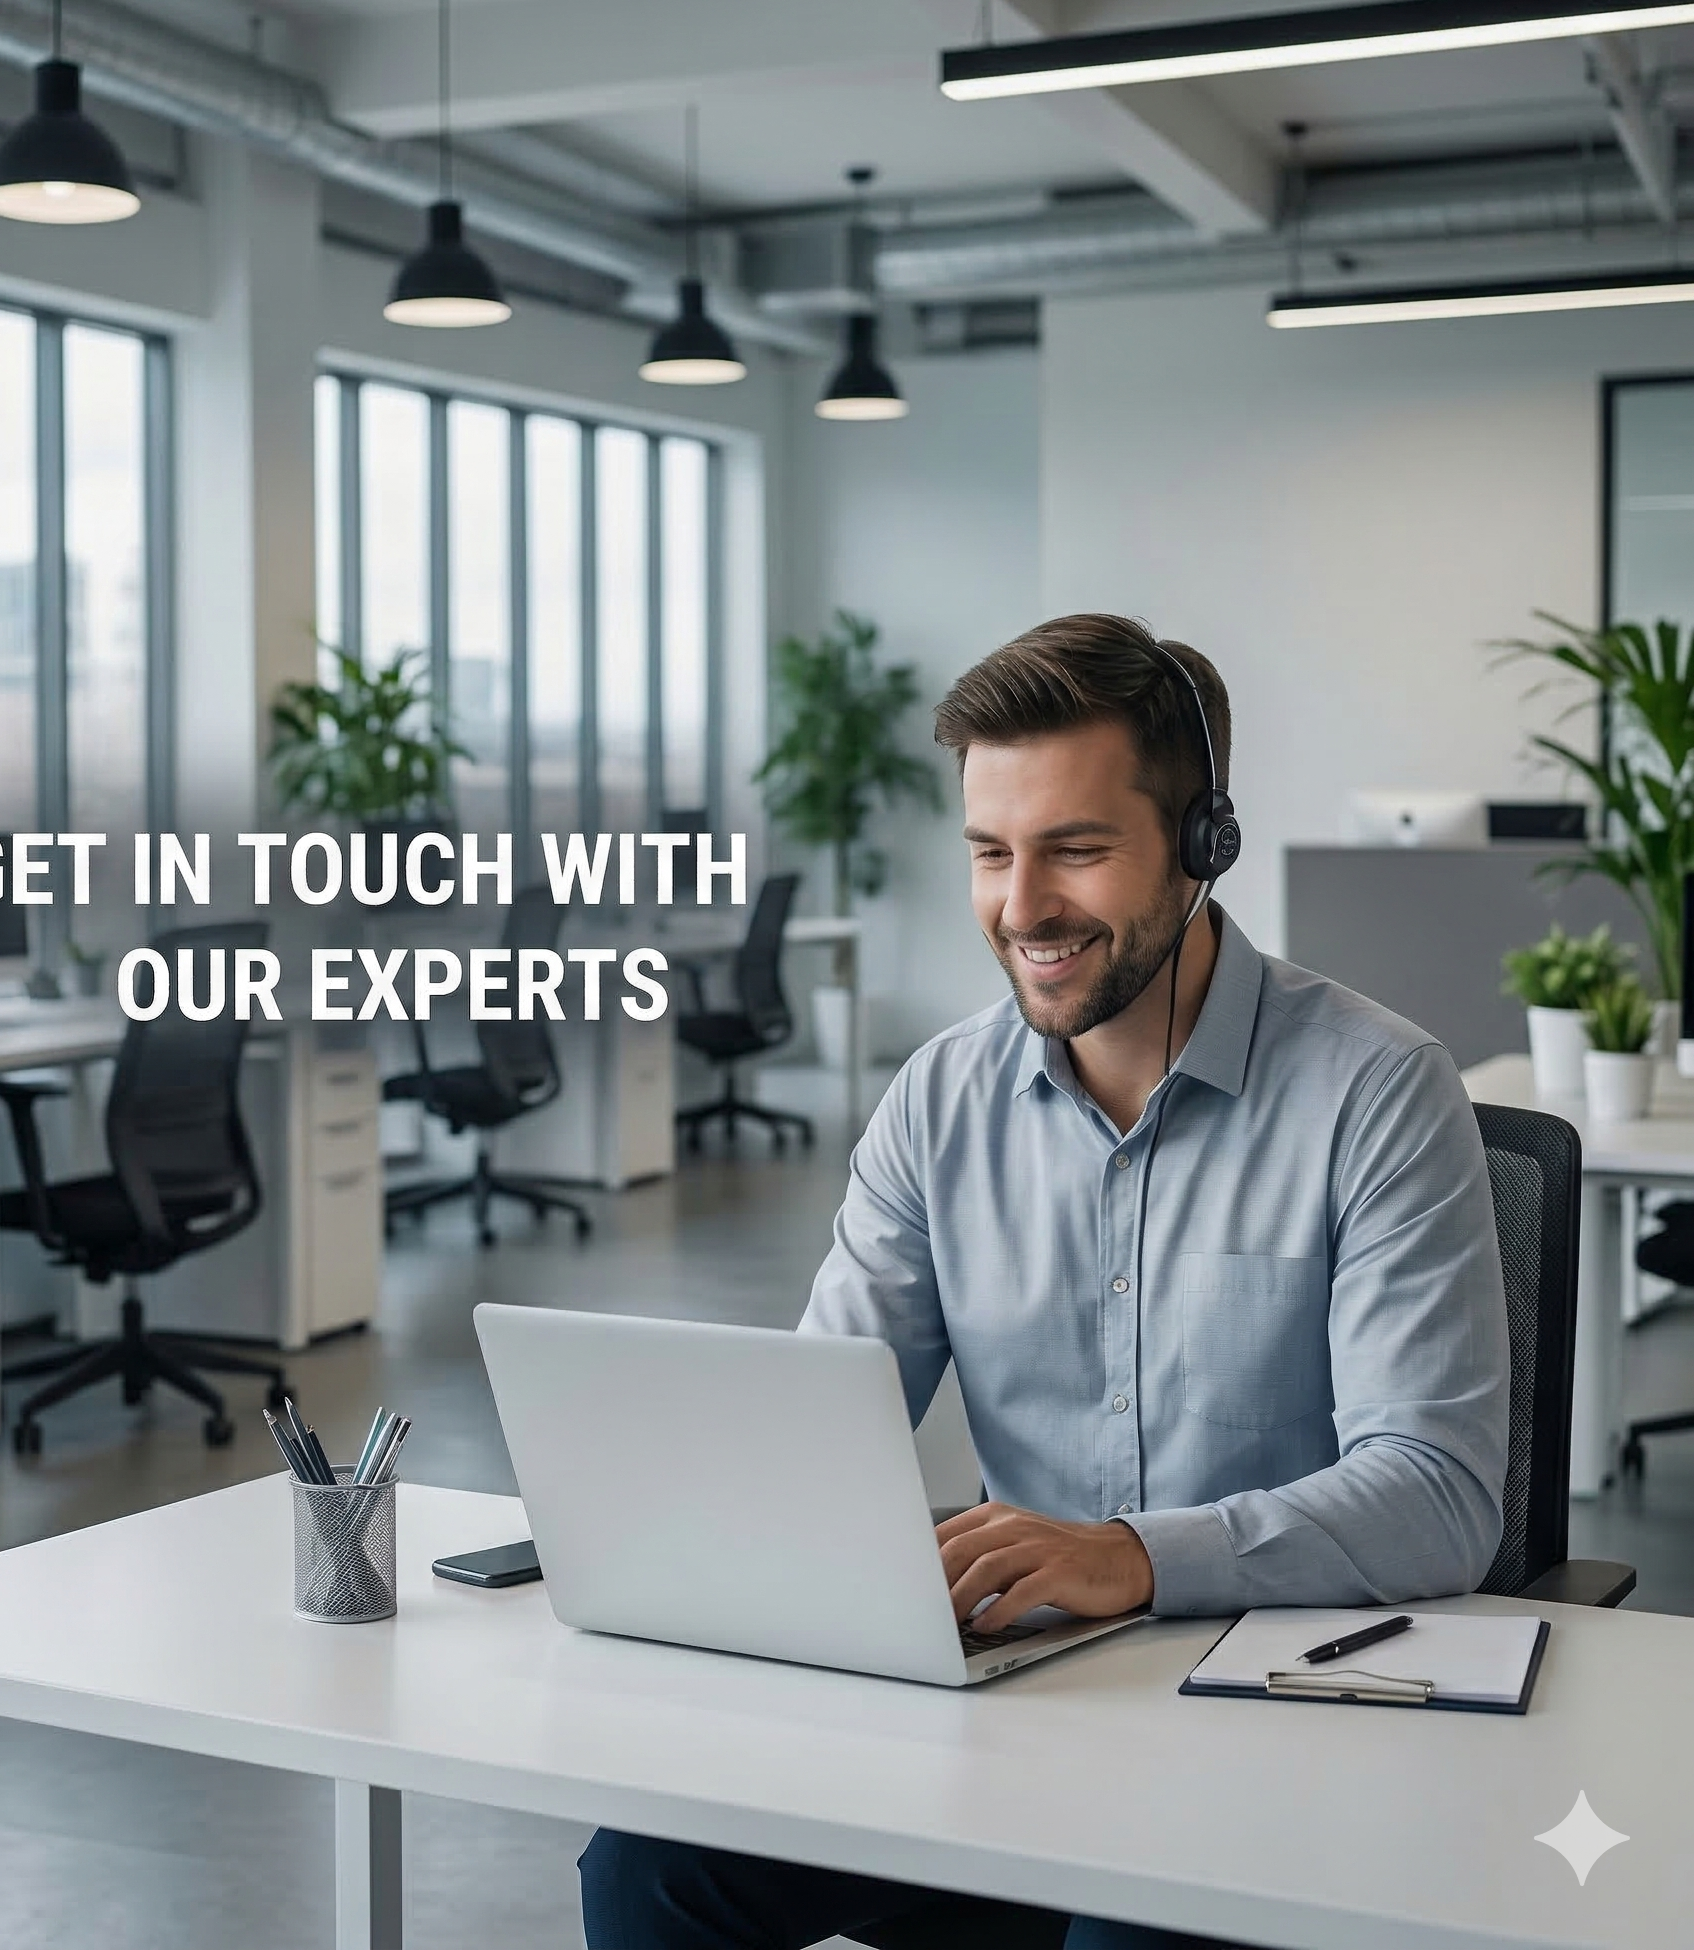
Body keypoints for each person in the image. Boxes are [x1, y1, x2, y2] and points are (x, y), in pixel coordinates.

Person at [579, 613, 1509, 1950]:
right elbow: (820, 1419)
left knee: (1132, 1927)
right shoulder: (939, 1101)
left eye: (1075, 849)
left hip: (1267, 1724)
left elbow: (1437, 1496)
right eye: (990, 853)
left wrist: (1132, 1557)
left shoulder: (1377, 1093)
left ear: (1201, 845)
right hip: (1014, 1710)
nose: (1021, 908)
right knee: (652, 1866)